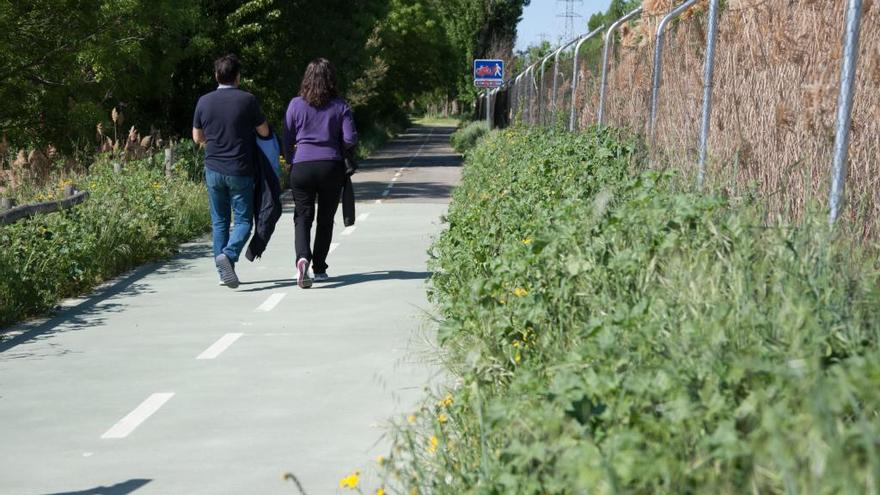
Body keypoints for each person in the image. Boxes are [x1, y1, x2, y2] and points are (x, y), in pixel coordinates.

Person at [193, 54, 270, 289]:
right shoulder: (247, 100)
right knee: (244, 220)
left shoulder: (204, 101)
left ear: (217, 75)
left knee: (219, 222)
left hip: (213, 168)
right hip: (240, 169)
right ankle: (228, 254)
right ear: (238, 76)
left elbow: (197, 137)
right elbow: (264, 132)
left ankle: (222, 273)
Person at [283, 58, 358, 289]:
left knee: (303, 216)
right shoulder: (340, 105)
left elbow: (286, 136)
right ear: (331, 80)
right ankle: (320, 267)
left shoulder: (295, 104)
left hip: (302, 167)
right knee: (325, 219)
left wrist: (289, 160)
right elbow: (350, 138)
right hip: (330, 167)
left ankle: (302, 258)